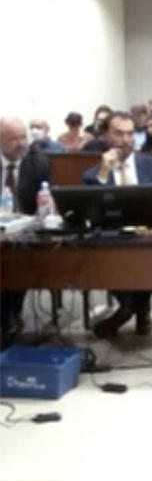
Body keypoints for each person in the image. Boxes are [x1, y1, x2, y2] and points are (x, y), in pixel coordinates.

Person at [83, 112, 152, 338]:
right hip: (112, 237)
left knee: (148, 255)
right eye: (118, 133)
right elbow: (90, 209)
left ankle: (130, 309)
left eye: (129, 134)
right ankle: (137, 308)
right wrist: (104, 172)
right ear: (106, 136)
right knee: (104, 253)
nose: (125, 139)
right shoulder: (93, 174)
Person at [0, 117, 52, 349]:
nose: (22, 143)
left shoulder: (38, 162)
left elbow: (47, 200)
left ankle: (11, 319)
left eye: (24, 137)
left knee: (18, 263)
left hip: (26, 232)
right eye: (14, 139)